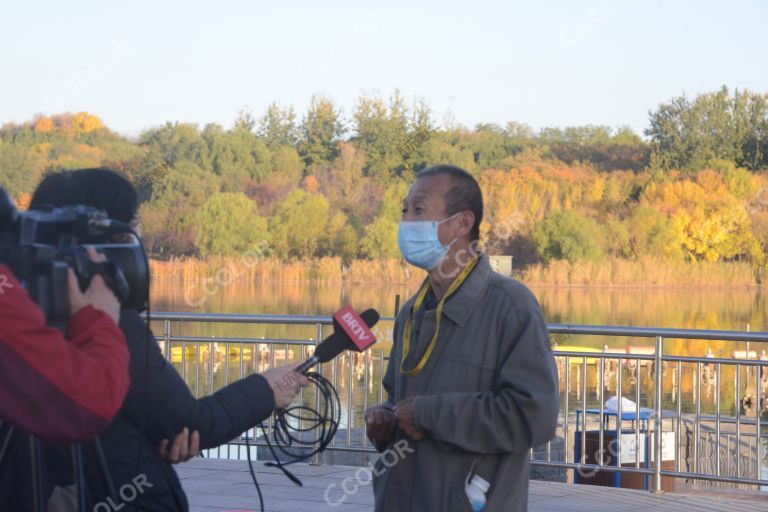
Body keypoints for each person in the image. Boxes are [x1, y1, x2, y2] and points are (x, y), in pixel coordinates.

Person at [32, 168, 309, 511]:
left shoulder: (21, 316)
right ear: (100, 243)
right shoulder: (107, 325)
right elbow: (191, 423)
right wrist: (266, 389)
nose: (137, 242)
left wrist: (156, 439)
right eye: (131, 230)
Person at [364, 165, 560, 511]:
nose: (407, 220)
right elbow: (402, 405)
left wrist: (430, 415)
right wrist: (385, 422)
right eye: (404, 210)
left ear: (462, 223)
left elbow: (535, 416)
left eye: (419, 210)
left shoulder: (511, 307)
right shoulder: (412, 311)